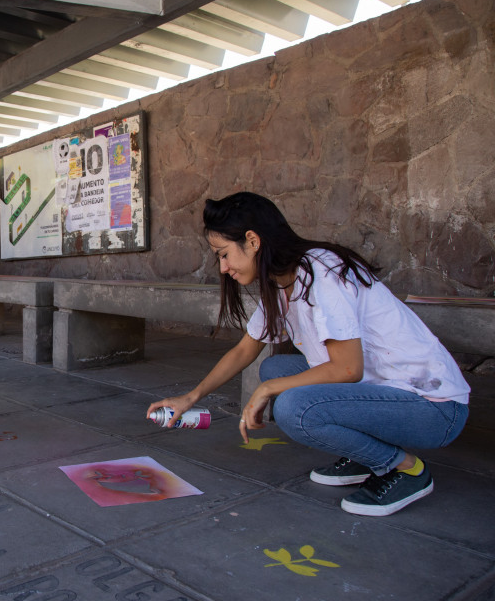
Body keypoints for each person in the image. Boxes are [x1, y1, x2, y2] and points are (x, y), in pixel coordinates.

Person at [147, 192, 470, 517]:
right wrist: (191, 397)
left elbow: (348, 369)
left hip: (435, 409)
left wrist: (268, 391)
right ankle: (363, 454)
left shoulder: (321, 271)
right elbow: (246, 348)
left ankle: (404, 469)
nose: (223, 268)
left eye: (224, 254)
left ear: (253, 240)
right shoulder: (280, 282)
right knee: (274, 369)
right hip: (386, 390)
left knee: (292, 407)